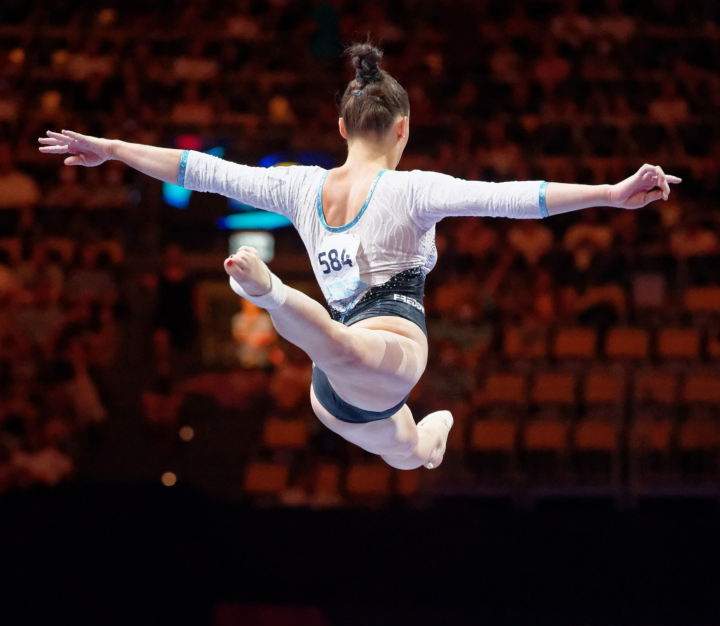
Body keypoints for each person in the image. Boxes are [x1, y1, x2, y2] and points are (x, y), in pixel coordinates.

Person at [38, 43, 682, 470]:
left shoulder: (299, 186)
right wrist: (609, 194)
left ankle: (284, 307)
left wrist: (113, 148)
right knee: (385, 418)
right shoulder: (412, 188)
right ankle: (272, 295)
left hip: (348, 375)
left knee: (402, 439)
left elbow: (196, 169)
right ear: (403, 128)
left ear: (342, 127)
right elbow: (515, 197)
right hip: (373, 368)